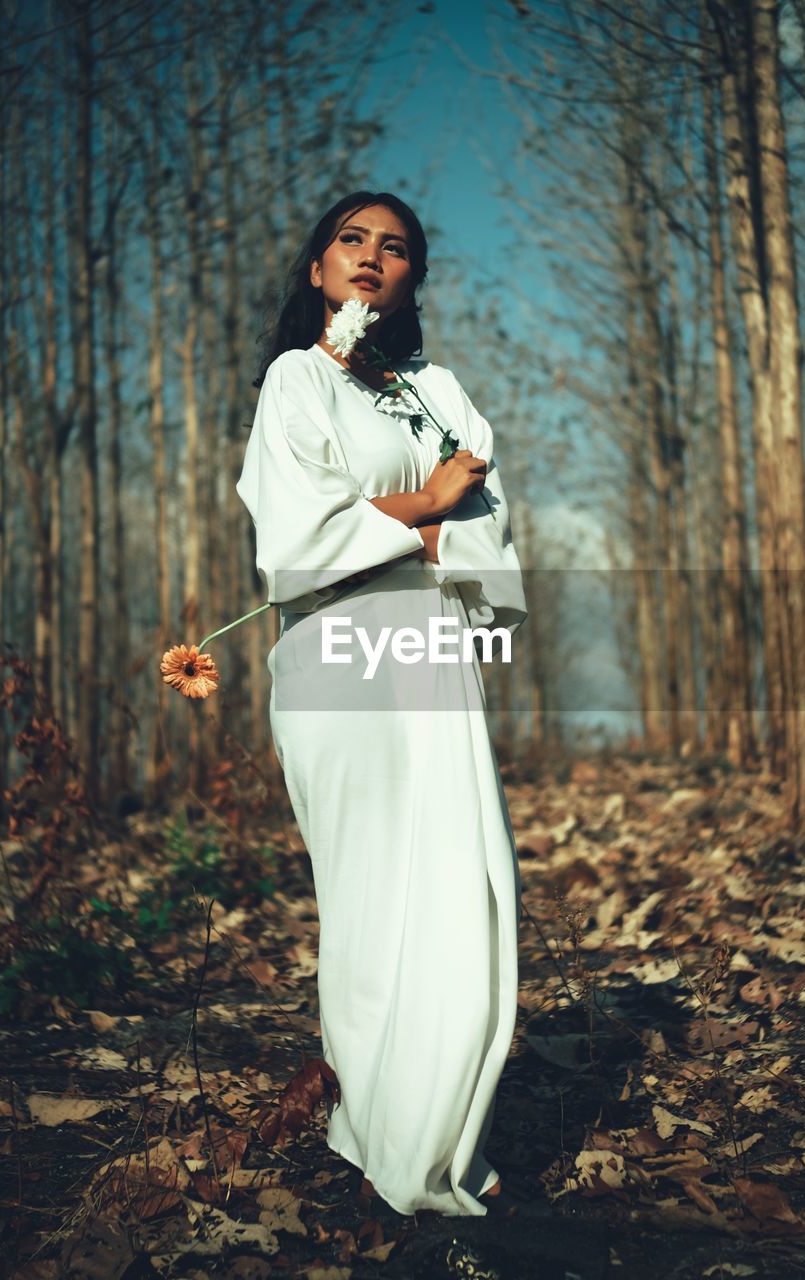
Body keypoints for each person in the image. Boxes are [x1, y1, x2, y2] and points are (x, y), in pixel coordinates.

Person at [236, 190, 528, 1217]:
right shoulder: (295, 381)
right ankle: (377, 1133)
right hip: (334, 644)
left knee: (468, 888)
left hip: (434, 645)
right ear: (317, 268)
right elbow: (297, 542)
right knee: (369, 901)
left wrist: (440, 522)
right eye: (351, 241)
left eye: (393, 246)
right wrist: (431, 504)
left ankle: (440, 1123)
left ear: (413, 277)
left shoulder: (439, 389)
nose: (371, 256)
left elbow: (490, 549)